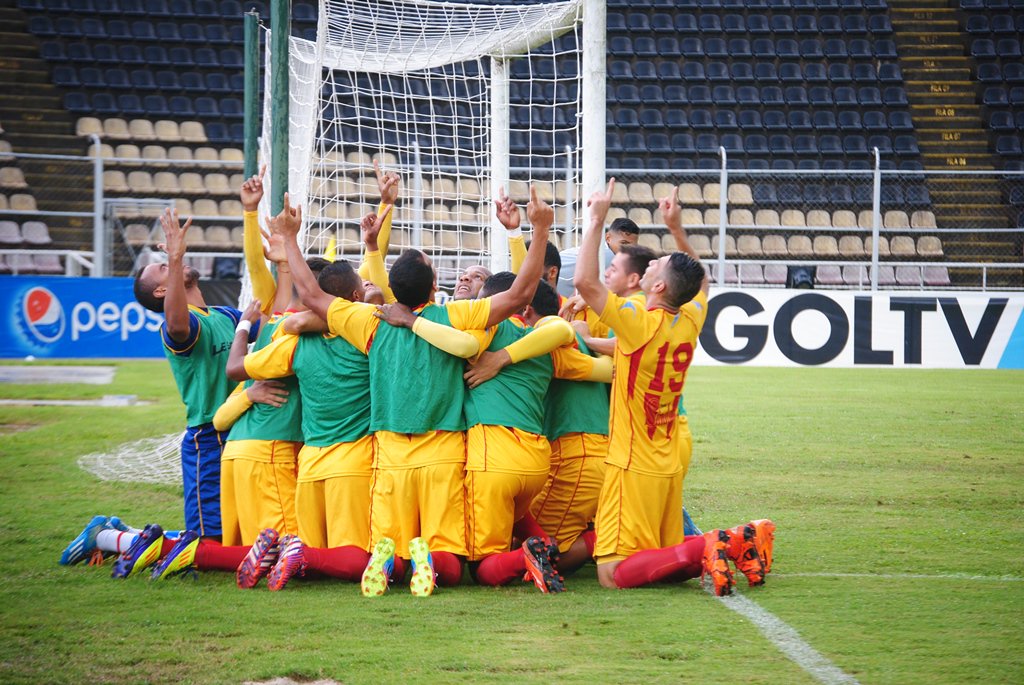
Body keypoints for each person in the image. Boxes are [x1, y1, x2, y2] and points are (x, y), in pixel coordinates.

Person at [274, 188, 553, 596]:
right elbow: (520, 296)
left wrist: (290, 240)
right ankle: (428, 559)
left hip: (390, 456)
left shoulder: (370, 322)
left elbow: (313, 295)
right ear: (434, 284)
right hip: (442, 452)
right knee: (453, 566)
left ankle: (397, 563)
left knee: (387, 547)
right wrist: (539, 230)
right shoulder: (454, 316)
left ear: (391, 286)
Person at [575, 179, 773, 595]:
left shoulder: (638, 319)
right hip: (666, 462)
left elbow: (585, 285)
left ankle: (717, 541)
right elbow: (702, 284)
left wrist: (594, 221)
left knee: (612, 576)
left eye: (653, 267)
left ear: (659, 287)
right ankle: (722, 546)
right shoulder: (690, 321)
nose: (647, 266)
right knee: (657, 562)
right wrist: (677, 228)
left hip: (631, 465)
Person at [454, 276, 610, 593]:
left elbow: (558, 327)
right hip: (543, 458)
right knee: (521, 525)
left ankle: (616, 536)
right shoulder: (546, 343)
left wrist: (499, 357)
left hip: (539, 457)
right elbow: (607, 369)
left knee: (490, 565)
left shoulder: (494, 334)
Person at [133, 207, 258, 539]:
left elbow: (273, 322)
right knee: (207, 541)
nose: (170, 263)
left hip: (246, 430)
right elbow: (175, 323)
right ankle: (115, 537)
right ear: (161, 292)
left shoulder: (224, 315)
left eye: (167, 262)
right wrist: (174, 259)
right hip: (209, 439)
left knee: (241, 534)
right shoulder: (179, 326)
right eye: (162, 268)